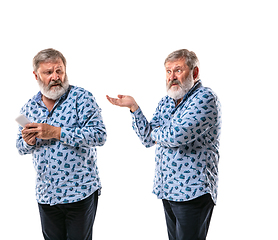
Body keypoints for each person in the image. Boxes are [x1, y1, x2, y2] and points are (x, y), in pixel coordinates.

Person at [107, 49, 221, 240]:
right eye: (168, 72)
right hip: (168, 189)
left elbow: (177, 136)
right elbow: (147, 139)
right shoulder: (167, 101)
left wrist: (159, 133)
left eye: (178, 70)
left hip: (192, 192)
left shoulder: (205, 98)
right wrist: (134, 108)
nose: (172, 77)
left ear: (194, 72)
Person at [16, 48, 107, 240]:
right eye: (48, 72)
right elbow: (20, 146)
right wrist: (27, 142)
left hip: (79, 193)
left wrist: (57, 132)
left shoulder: (82, 98)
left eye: (59, 70)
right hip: (46, 195)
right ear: (36, 75)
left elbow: (99, 136)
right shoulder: (29, 107)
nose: (55, 76)